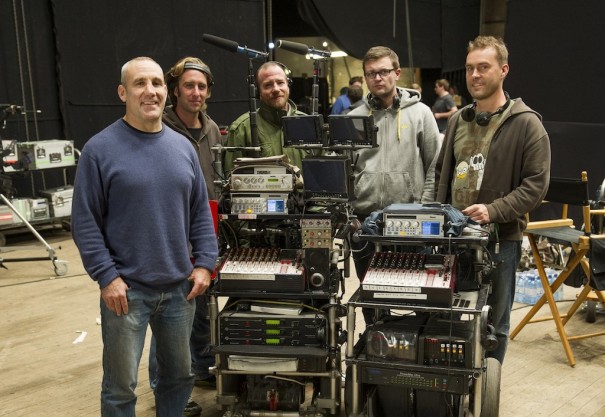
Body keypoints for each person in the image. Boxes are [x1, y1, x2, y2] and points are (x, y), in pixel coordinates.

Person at [71, 56, 219, 416]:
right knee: (120, 388)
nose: (149, 91)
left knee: (179, 378)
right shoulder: (99, 150)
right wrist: (107, 278)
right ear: (123, 92)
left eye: (156, 83)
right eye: (139, 83)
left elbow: (201, 211)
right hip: (127, 291)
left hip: (180, 289)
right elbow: (85, 222)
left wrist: (205, 265)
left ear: (166, 92)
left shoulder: (182, 147)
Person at [434, 36, 551, 364]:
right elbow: (440, 174)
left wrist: (493, 210)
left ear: (503, 70)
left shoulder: (527, 124)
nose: (474, 75)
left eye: (483, 67)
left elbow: (535, 186)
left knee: (494, 325)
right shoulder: (458, 119)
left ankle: (487, 389)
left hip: (501, 241)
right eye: (470, 68)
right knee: (448, 316)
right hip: (453, 238)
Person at [147, 56, 223, 417]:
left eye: (202, 86)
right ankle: (164, 387)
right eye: (189, 86)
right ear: (175, 89)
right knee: (167, 312)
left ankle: (197, 368)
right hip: (171, 234)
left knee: (198, 306)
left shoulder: (211, 128)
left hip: (205, 227)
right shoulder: (159, 127)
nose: (196, 92)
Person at [347, 46, 441, 321]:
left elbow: (434, 163)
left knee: (419, 296)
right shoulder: (354, 118)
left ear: (397, 73)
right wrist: (352, 214)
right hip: (366, 222)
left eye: (384, 72)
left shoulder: (421, 113)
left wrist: (425, 209)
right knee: (373, 301)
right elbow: (346, 170)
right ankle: (378, 351)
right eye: (371, 74)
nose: (378, 78)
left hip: (411, 219)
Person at [224, 61, 308, 174]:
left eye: (280, 82)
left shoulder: (308, 123)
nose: (276, 89)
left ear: (288, 85)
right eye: (268, 85)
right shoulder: (241, 129)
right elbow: (232, 181)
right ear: (258, 91)